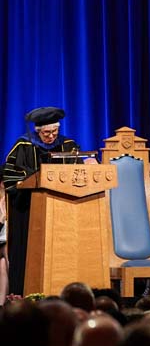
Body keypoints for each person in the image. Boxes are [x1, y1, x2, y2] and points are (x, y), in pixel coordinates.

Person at [2, 107, 88, 296]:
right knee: (27, 252)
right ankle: (24, 293)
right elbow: (10, 175)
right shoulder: (23, 145)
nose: (51, 136)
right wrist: (35, 178)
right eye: (46, 133)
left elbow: (79, 172)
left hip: (63, 209)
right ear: (38, 131)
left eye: (54, 132)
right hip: (29, 209)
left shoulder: (68, 145)